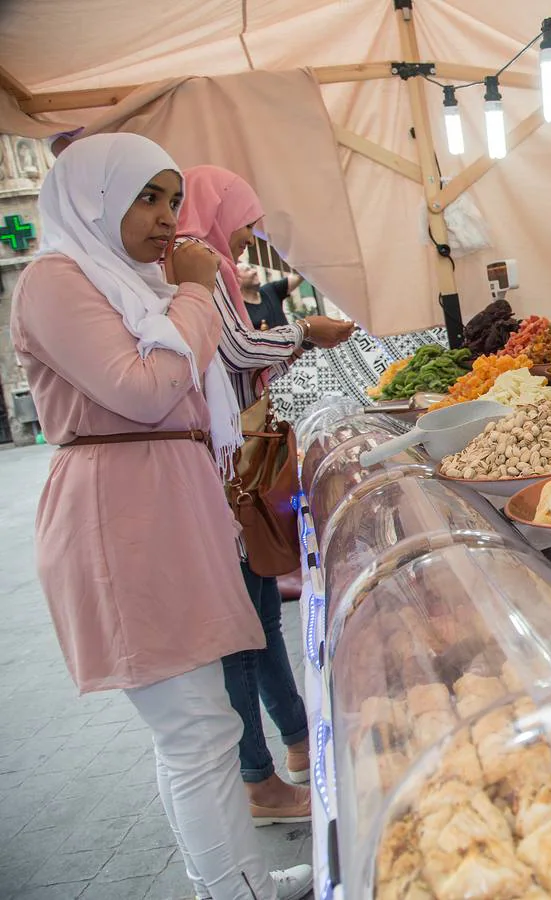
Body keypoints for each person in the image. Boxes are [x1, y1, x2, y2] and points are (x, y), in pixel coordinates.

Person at [9, 133, 310, 900]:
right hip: (124, 515)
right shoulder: (54, 280)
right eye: (147, 197)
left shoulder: (128, 283)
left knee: (202, 723)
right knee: (194, 728)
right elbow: (143, 390)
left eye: (174, 199)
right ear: (92, 198)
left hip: (168, 498)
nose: (166, 216)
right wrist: (197, 292)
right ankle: (233, 888)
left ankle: (240, 880)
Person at [176, 164, 353, 825]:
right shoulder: (196, 268)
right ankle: (260, 778)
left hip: (234, 458)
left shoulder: (204, 264)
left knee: (259, 615)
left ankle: (299, 744)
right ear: (221, 212)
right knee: (244, 627)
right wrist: (306, 331)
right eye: (247, 218)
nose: (253, 234)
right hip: (223, 468)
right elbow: (240, 347)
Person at [241, 264, 303, 331]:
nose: (255, 271)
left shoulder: (270, 290)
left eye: (252, 268)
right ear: (237, 279)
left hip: (291, 340)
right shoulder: (239, 309)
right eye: (247, 270)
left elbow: (299, 274)